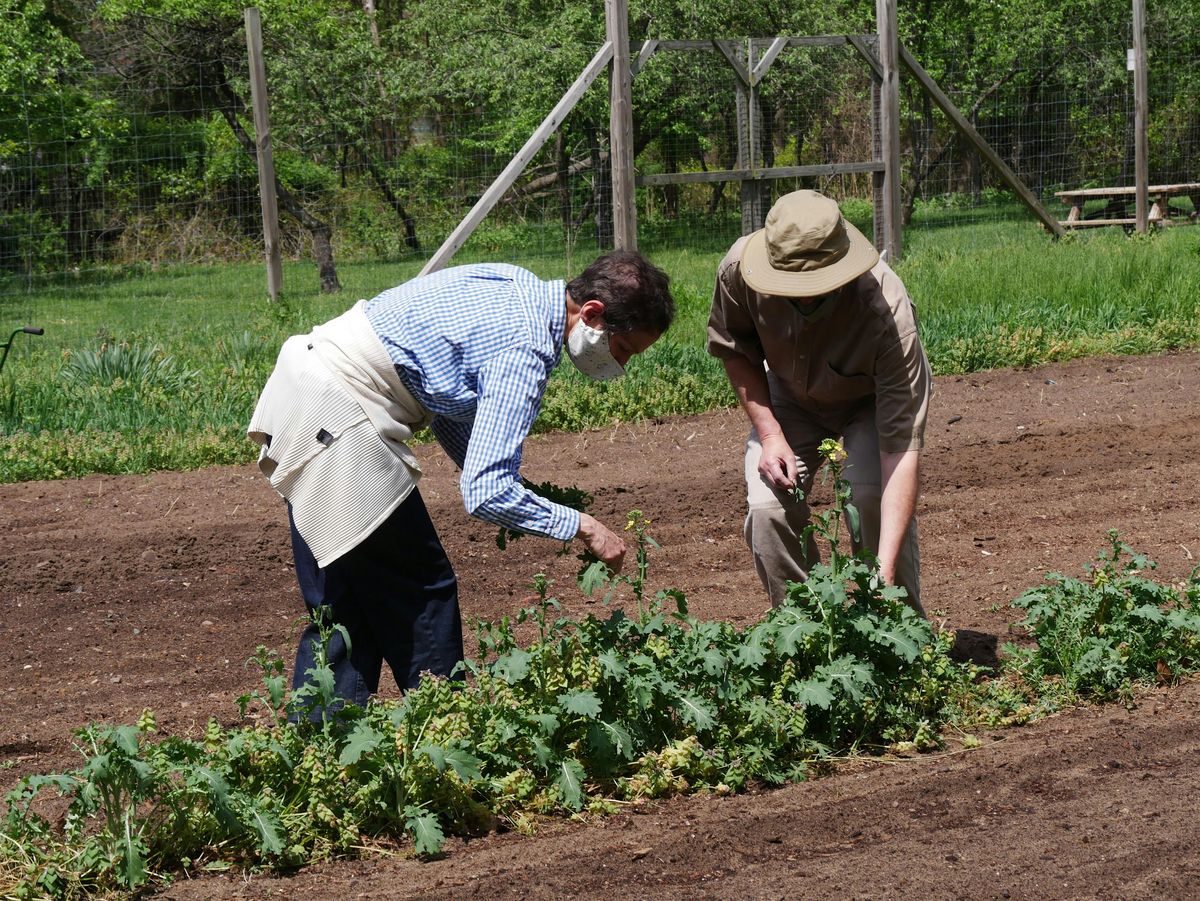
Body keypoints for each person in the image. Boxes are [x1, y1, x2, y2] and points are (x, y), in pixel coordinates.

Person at [248, 250, 674, 706]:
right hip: (341, 415)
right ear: (592, 314)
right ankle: (446, 736)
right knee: (422, 593)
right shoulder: (526, 349)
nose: (620, 365)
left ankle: (320, 747)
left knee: (345, 600)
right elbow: (485, 492)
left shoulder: (515, 281)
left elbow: (445, 396)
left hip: (304, 386)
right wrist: (581, 525)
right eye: (623, 349)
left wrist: (514, 486)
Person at [707, 189, 931, 612]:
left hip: (869, 405)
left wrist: (881, 576)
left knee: (868, 497)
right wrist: (770, 434)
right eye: (791, 288)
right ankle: (806, 628)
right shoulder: (738, 270)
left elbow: (900, 451)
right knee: (768, 508)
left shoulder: (887, 310)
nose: (806, 297)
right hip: (789, 400)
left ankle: (897, 632)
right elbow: (735, 348)